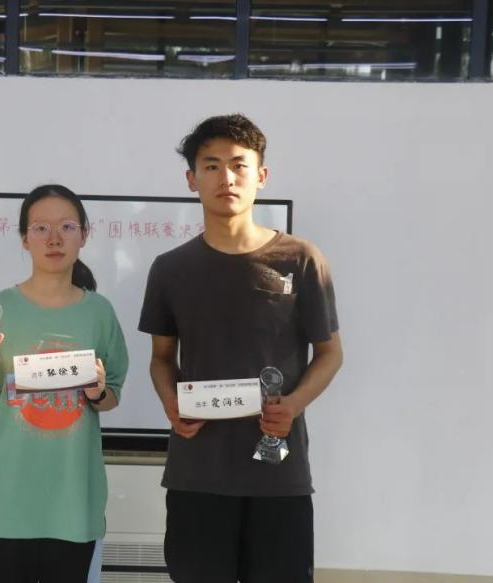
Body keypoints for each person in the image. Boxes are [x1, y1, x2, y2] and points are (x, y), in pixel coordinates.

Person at [139, 114, 343, 582]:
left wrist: (293, 404)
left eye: (238, 165)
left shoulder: (301, 259)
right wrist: (170, 402)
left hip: (278, 476)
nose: (226, 178)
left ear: (261, 176)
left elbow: (330, 354)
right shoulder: (170, 269)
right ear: (192, 179)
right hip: (197, 476)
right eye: (211, 166)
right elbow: (161, 359)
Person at [0, 184, 129, 583]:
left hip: (72, 499)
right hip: (5, 497)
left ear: (84, 235)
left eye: (67, 226)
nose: (54, 238)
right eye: (40, 228)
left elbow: (111, 396)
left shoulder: (99, 312)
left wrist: (98, 391)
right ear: (24, 238)